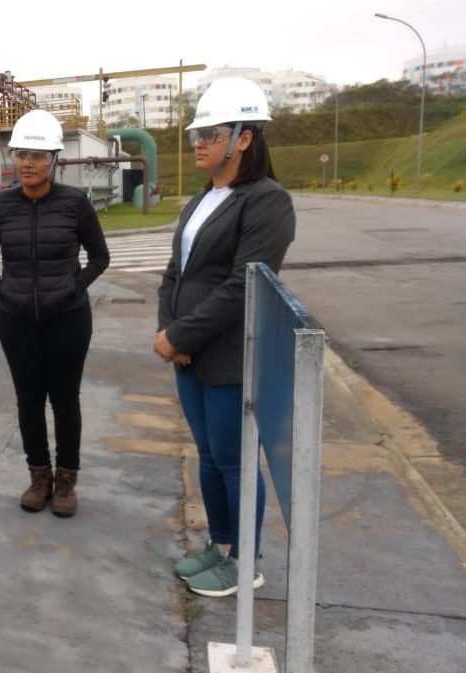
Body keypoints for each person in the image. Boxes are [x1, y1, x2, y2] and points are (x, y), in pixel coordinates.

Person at [155, 77, 296, 597]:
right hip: (189, 354)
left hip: (230, 356)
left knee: (235, 463)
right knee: (210, 457)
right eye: (197, 134)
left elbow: (244, 284)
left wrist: (181, 334)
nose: (199, 143)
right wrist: (169, 332)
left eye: (211, 134)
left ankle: (245, 562)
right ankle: (221, 546)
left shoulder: (266, 202)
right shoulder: (203, 199)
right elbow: (176, 272)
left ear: (245, 137)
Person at [0, 109, 110, 518]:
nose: (28, 163)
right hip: (17, 322)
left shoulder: (74, 203)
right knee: (29, 400)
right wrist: (6, 292)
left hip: (68, 319)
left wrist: (72, 289)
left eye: (37, 155)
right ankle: (39, 477)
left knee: (65, 400)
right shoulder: (1, 206)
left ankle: (66, 479)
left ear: (54, 159)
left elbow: (99, 257)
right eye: (21, 154)